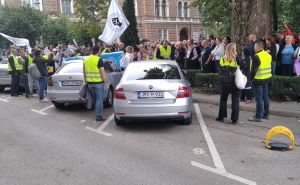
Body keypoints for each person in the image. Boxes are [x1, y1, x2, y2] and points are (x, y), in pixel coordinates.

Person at [216, 43, 241, 125]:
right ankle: (234, 120)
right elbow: (244, 68)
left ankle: (221, 117)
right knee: (235, 100)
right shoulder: (238, 59)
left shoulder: (222, 59)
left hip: (224, 81)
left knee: (223, 99)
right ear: (234, 50)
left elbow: (219, 70)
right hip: (235, 81)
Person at [248, 42, 272, 122]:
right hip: (266, 78)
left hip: (258, 80)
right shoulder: (268, 55)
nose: (254, 48)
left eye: (254, 46)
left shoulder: (256, 56)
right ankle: (266, 114)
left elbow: (254, 71)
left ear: (258, 47)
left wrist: (250, 79)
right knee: (265, 97)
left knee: (259, 99)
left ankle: (258, 116)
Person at [83, 46, 107, 122]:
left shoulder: (86, 60)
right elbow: (102, 72)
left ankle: (97, 113)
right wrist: (105, 81)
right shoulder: (99, 59)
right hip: (98, 83)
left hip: (89, 83)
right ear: (98, 51)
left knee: (94, 100)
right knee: (99, 100)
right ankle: (98, 116)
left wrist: (86, 80)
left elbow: (84, 72)